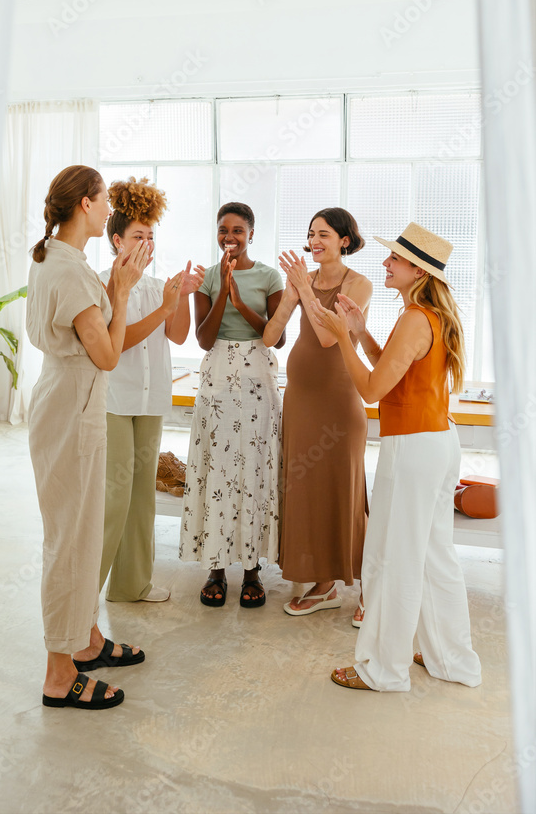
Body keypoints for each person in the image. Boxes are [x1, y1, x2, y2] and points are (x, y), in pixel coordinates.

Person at [309, 222, 482, 692]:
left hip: (412, 449)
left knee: (391, 558)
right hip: (437, 441)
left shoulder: (413, 319)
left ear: (418, 271)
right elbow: (394, 372)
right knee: (433, 556)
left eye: (395, 259)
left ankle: (383, 669)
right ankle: (452, 660)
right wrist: (361, 332)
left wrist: (342, 337)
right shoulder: (430, 316)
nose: (385, 263)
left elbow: (371, 390)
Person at [26, 165, 151, 711]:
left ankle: (88, 641)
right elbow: (107, 356)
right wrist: (121, 292)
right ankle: (60, 673)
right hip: (72, 407)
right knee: (70, 542)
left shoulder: (56, 257)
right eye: (103, 202)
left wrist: (115, 288)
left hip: (66, 399)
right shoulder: (71, 271)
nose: (109, 212)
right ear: (84, 204)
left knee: (80, 530)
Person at [98, 177, 205, 603]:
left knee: (142, 493)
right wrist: (165, 306)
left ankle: (132, 585)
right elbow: (119, 341)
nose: (146, 244)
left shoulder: (157, 285)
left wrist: (181, 297)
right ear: (116, 241)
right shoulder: (102, 284)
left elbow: (177, 336)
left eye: (150, 236)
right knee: (114, 497)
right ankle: (83, 597)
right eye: (137, 236)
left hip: (150, 398)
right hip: (114, 400)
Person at [263, 208, 372, 624]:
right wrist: (290, 296)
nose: (315, 241)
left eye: (324, 234)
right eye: (311, 234)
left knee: (345, 492)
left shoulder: (358, 284)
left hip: (339, 401)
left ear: (344, 240)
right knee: (308, 490)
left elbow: (329, 337)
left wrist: (305, 292)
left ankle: (368, 588)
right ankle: (324, 585)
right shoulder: (303, 281)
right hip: (301, 401)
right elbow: (271, 336)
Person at [179, 202, 285, 607]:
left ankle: (253, 569)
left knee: (255, 469)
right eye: (223, 230)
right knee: (218, 469)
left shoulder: (269, 277)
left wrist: (241, 302)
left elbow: (278, 338)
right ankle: (217, 568)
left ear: (251, 234)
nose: (230, 237)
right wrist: (222, 290)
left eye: (238, 230)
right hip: (218, 376)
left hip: (258, 378)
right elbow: (204, 339)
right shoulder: (207, 277)